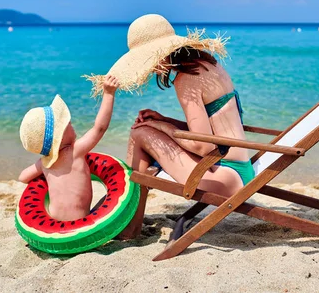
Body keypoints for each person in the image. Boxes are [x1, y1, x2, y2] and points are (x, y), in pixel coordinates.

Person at [88, 14, 253, 198]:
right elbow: (211, 134)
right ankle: (131, 203)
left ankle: (127, 202)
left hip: (223, 177)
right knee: (146, 129)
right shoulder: (208, 64)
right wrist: (164, 119)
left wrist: (160, 126)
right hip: (240, 170)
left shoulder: (186, 79)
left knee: (139, 133)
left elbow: (203, 147)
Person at [18, 75, 119, 221]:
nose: (72, 125)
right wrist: (109, 94)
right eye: (68, 124)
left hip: (56, 224)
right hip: (81, 222)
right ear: (60, 137)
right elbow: (99, 128)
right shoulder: (75, 152)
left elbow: (23, 177)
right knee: (109, 199)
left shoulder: (44, 162)